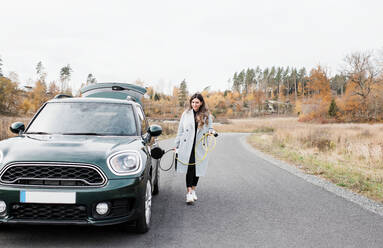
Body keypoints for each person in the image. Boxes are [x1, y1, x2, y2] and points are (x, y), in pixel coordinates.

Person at [174, 93, 214, 204]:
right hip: (187, 145)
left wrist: (211, 132)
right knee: (190, 167)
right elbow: (180, 130)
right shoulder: (185, 114)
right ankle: (189, 192)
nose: (194, 104)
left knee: (198, 168)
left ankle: (193, 189)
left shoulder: (207, 115)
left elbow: (211, 128)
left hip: (199, 145)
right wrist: (176, 144)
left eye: (197, 102)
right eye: (192, 102)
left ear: (201, 103)